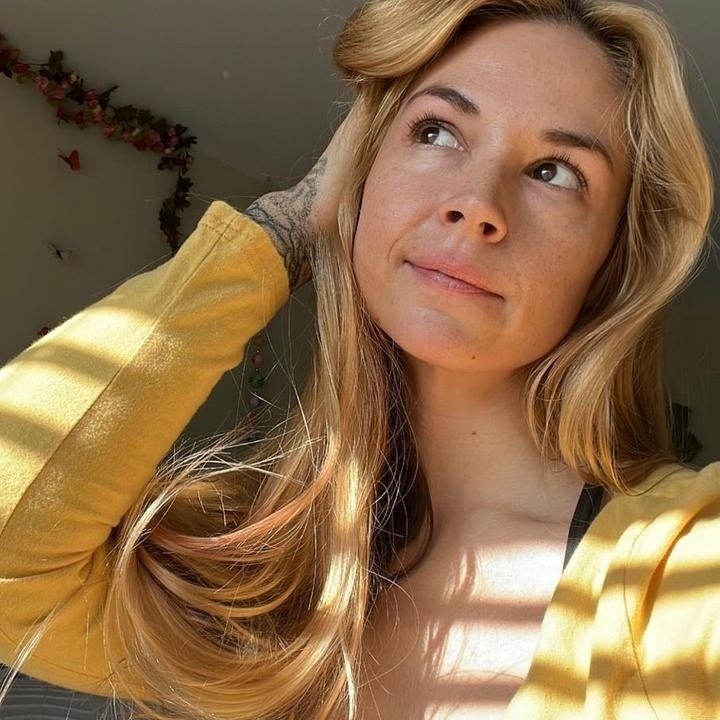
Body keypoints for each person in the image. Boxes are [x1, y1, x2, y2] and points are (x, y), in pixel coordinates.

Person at [0, 0, 716, 718]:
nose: (476, 204)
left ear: (614, 261)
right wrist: (291, 223)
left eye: (555, 172)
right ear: (360, 171)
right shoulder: (253, 582)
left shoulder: (684, 567)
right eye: (436, 131)